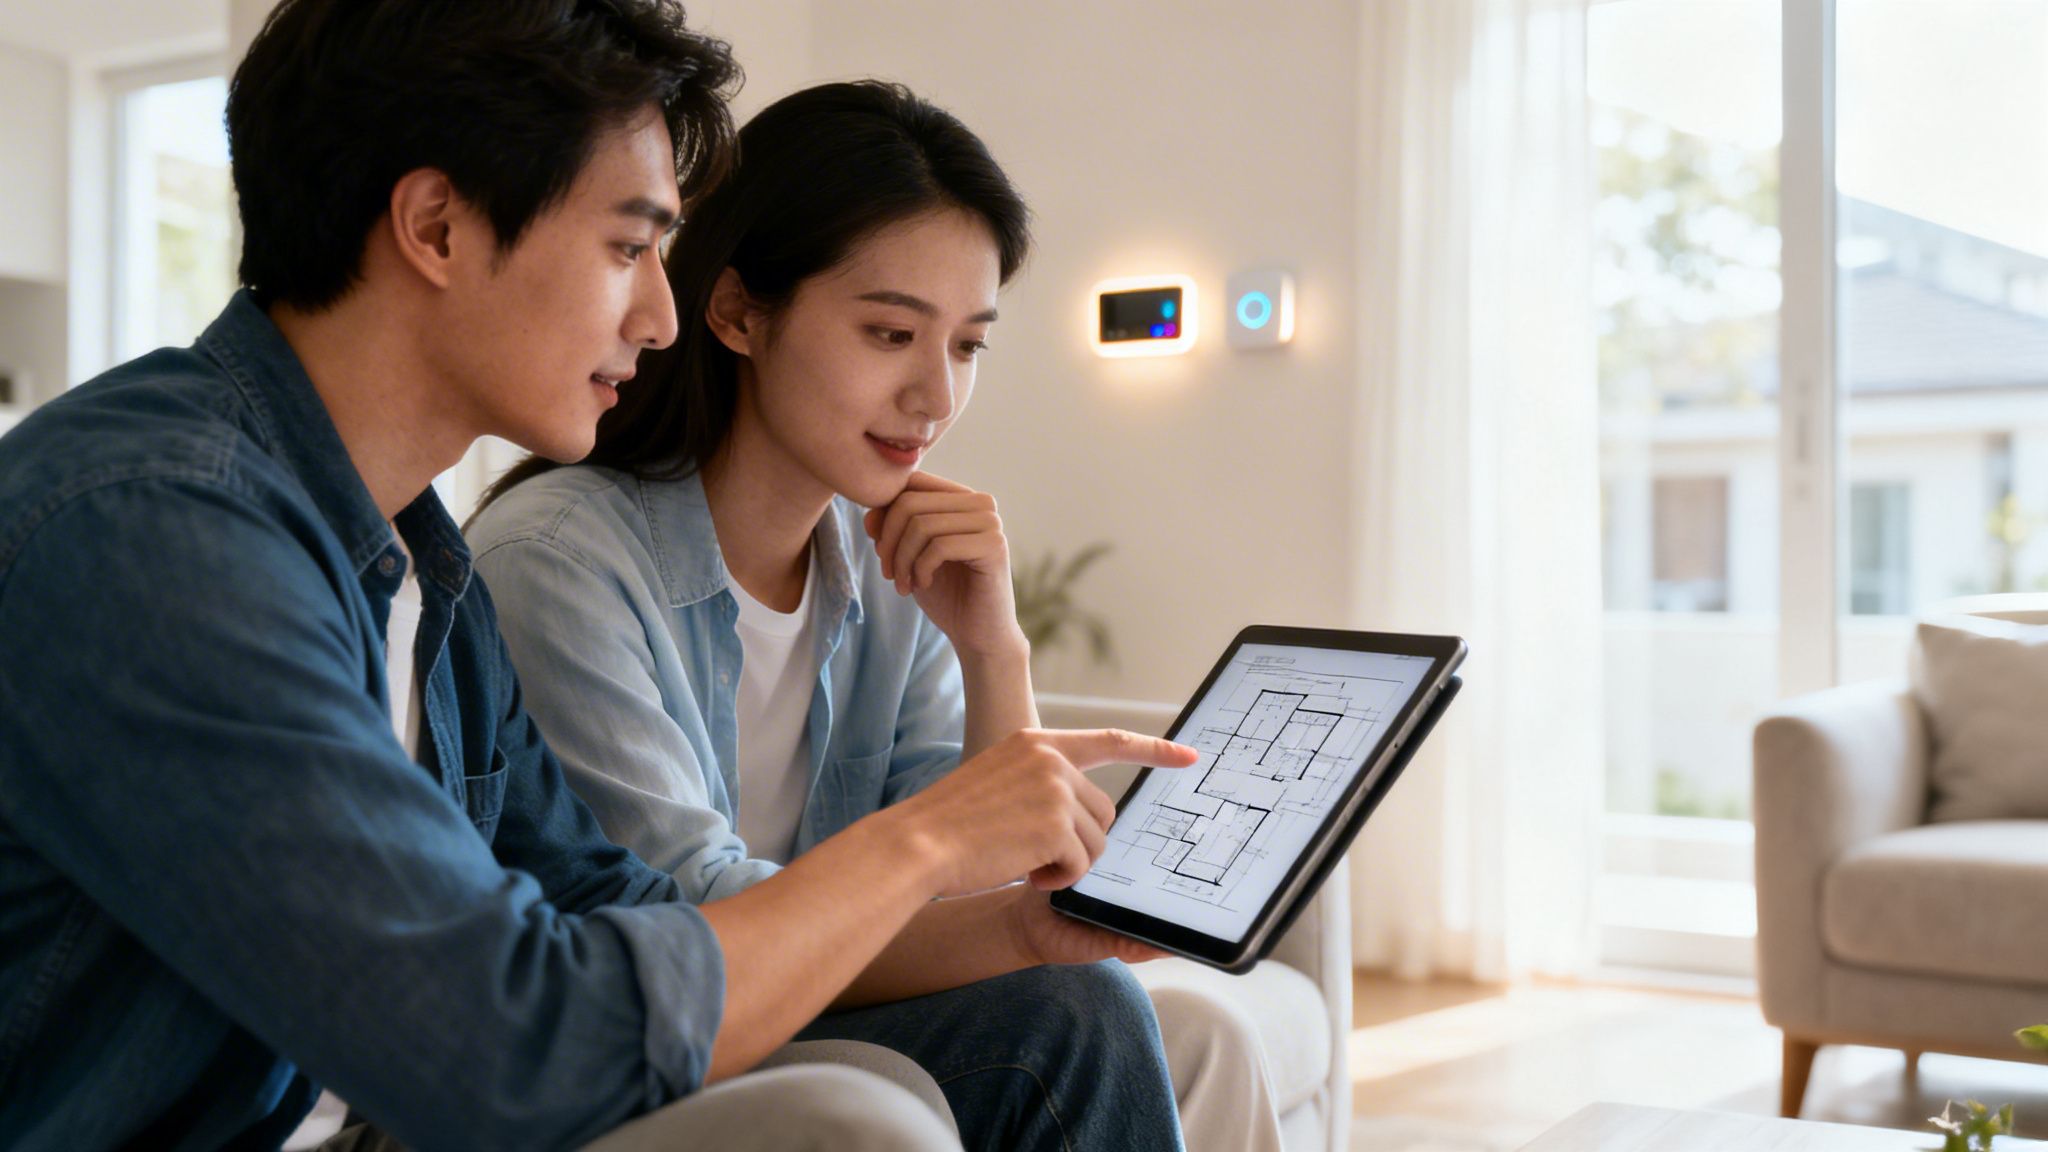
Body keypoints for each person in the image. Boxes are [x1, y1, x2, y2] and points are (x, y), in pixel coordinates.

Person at [0, 3, 1198, 1150]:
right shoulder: (156, 527)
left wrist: (1015, 923)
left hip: (386, 1116)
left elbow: (616, 905)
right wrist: (923, 847)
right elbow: (496, 1043)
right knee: (853, 1126)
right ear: (436, 228)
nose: (663, 317)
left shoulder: (421, 561)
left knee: (1062, 1022)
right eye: (628, 246)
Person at [466, 80, 1287, 1152]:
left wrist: (992, 646)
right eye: (892, 332)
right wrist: (998, 915)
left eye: (966, 347)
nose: (934, 398)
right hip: (663, 1036)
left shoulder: (884, 563)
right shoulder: (558, 561)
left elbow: (981, 885)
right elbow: (696, 928)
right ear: (736, 312)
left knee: (1203, 1033)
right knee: (1073, 1015)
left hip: (804, 1007)